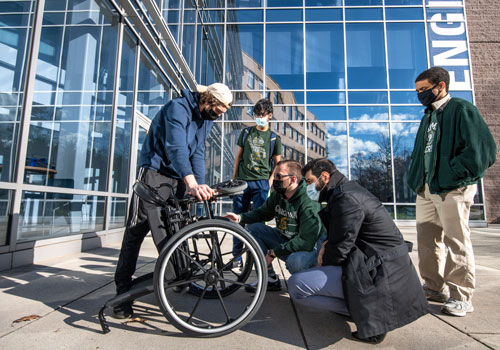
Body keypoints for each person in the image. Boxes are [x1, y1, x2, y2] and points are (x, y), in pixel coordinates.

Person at [113, 83, 233, 319]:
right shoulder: (177, 108)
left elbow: (196, 153)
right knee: (136, 232)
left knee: (175, 232)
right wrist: (191, 182)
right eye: (218, 110)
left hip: (178, 178)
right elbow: (176, 147)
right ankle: (122, 294)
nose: (219, 116)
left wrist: (199, 185)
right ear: (207, 99)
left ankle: (178, 277)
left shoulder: (205, 119)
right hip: (153, 175)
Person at [288, 158, 428, 344]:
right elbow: (344, 236)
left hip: (381, 276)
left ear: (325, 177)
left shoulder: (345, 198)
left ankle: (369, 312)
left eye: (310, 182)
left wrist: (324, 257)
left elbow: (339, 250)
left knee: (297, 285)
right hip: (382, 269)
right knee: (318, 254)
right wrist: (327, 246)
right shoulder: (346, 191)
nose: (308, 187)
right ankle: (358, 306)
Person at [408, 67, 496, 317]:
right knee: (427, 242)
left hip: (452, 188)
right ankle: (434, 287)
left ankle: (461, 295)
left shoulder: (461, 109)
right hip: (426, 189)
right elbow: (420, 154)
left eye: (424, 89)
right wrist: (415, 180)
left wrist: (453, 175)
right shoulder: (428, 117)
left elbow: (484, 151)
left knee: (455, 241)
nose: (420, 95)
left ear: (441, 86)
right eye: (417, 91)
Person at [225, 159, 325, 292]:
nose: (275, 179)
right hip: (285, 241)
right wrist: (240, 217)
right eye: (275, 175)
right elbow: (263, 213)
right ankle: (269, 278)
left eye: (279, 176)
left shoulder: (308, 201)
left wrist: (273, 253)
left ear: (293, 179)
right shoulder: (279, 194)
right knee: (253, 228)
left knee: (294, 262)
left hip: (307, 250)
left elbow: (306, 241)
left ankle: (314, 280)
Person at [231, 98, 282, 267]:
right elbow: (238, 156)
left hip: (261, 183)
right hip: (242, 182)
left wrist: (269, 182)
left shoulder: (274, 138)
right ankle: (236, 257)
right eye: (256, 114)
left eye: (262, 114)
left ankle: (256, 256)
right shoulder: (246, 133)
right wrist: (234, 178)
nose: (259, 117)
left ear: (269, 116)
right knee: (237, 219)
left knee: (258, 222)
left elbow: (277, 163)